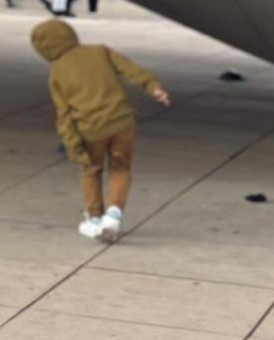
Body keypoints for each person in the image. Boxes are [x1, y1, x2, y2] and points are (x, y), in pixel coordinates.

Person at [30, 18, 170, 242]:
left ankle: (94, 218)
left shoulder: (57, 73)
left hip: (90, 130)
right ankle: (114, 214)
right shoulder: (100, 51)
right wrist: (153, 87)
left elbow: (64, 114)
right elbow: (131, 69)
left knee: (91, 170)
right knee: (121, 167)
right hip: (122, 123)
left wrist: (72, 144)